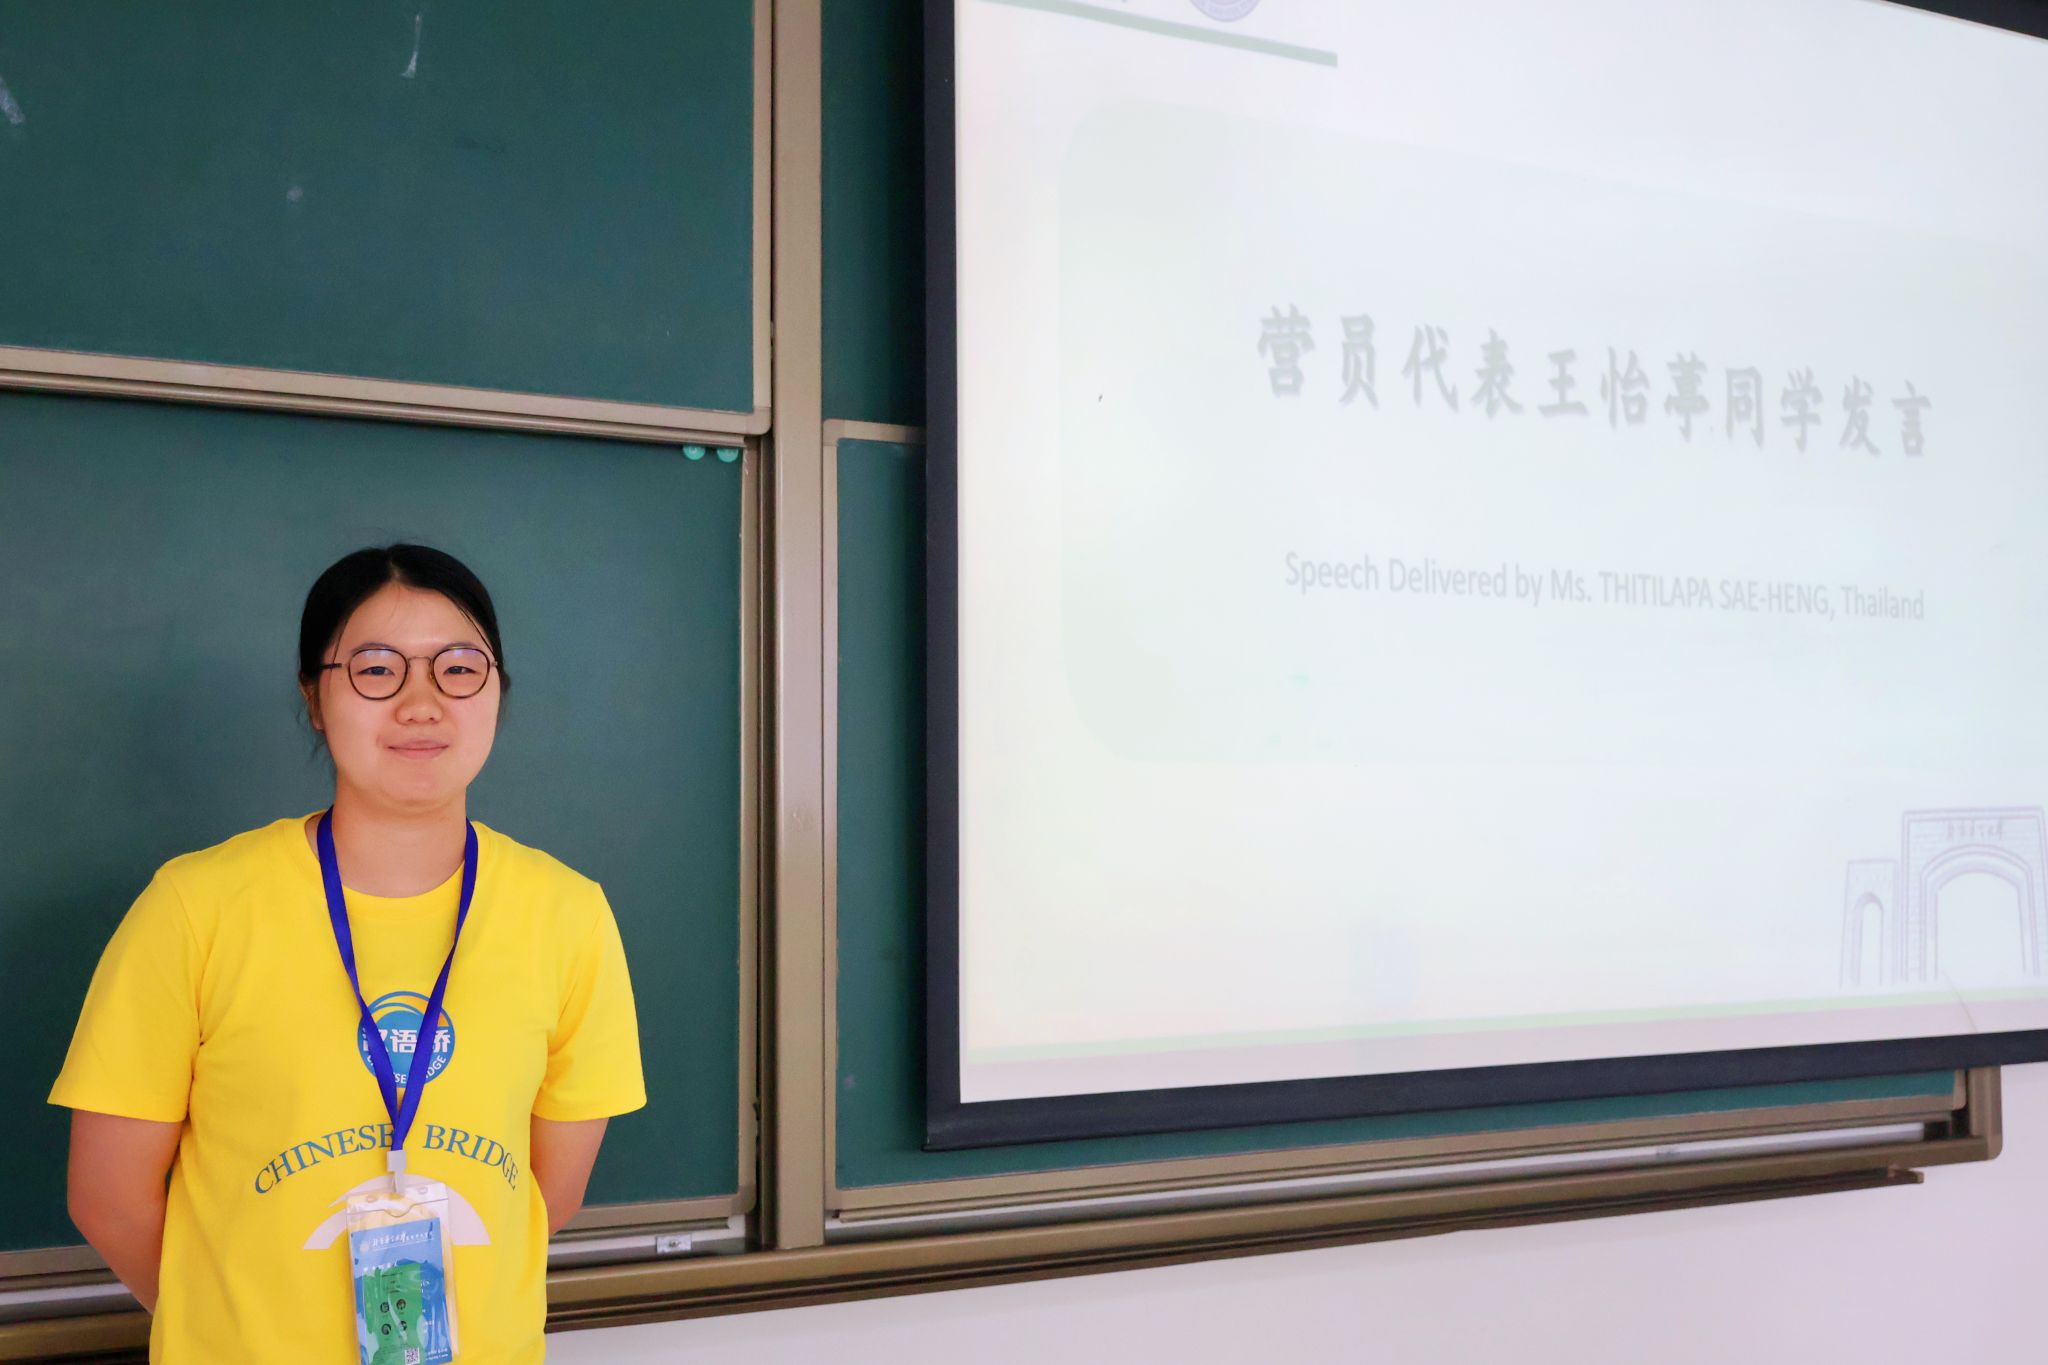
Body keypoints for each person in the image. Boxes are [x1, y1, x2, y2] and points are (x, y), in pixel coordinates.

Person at [49, 544, 645, 1363]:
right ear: (315, 697)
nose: (421, 704)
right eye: (376, 670)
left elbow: (547, 1193)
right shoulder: (194, 908)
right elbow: (107, 1197)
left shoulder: (569, 915)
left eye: (458, 669)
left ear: (497, 691)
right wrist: (224, 1323)